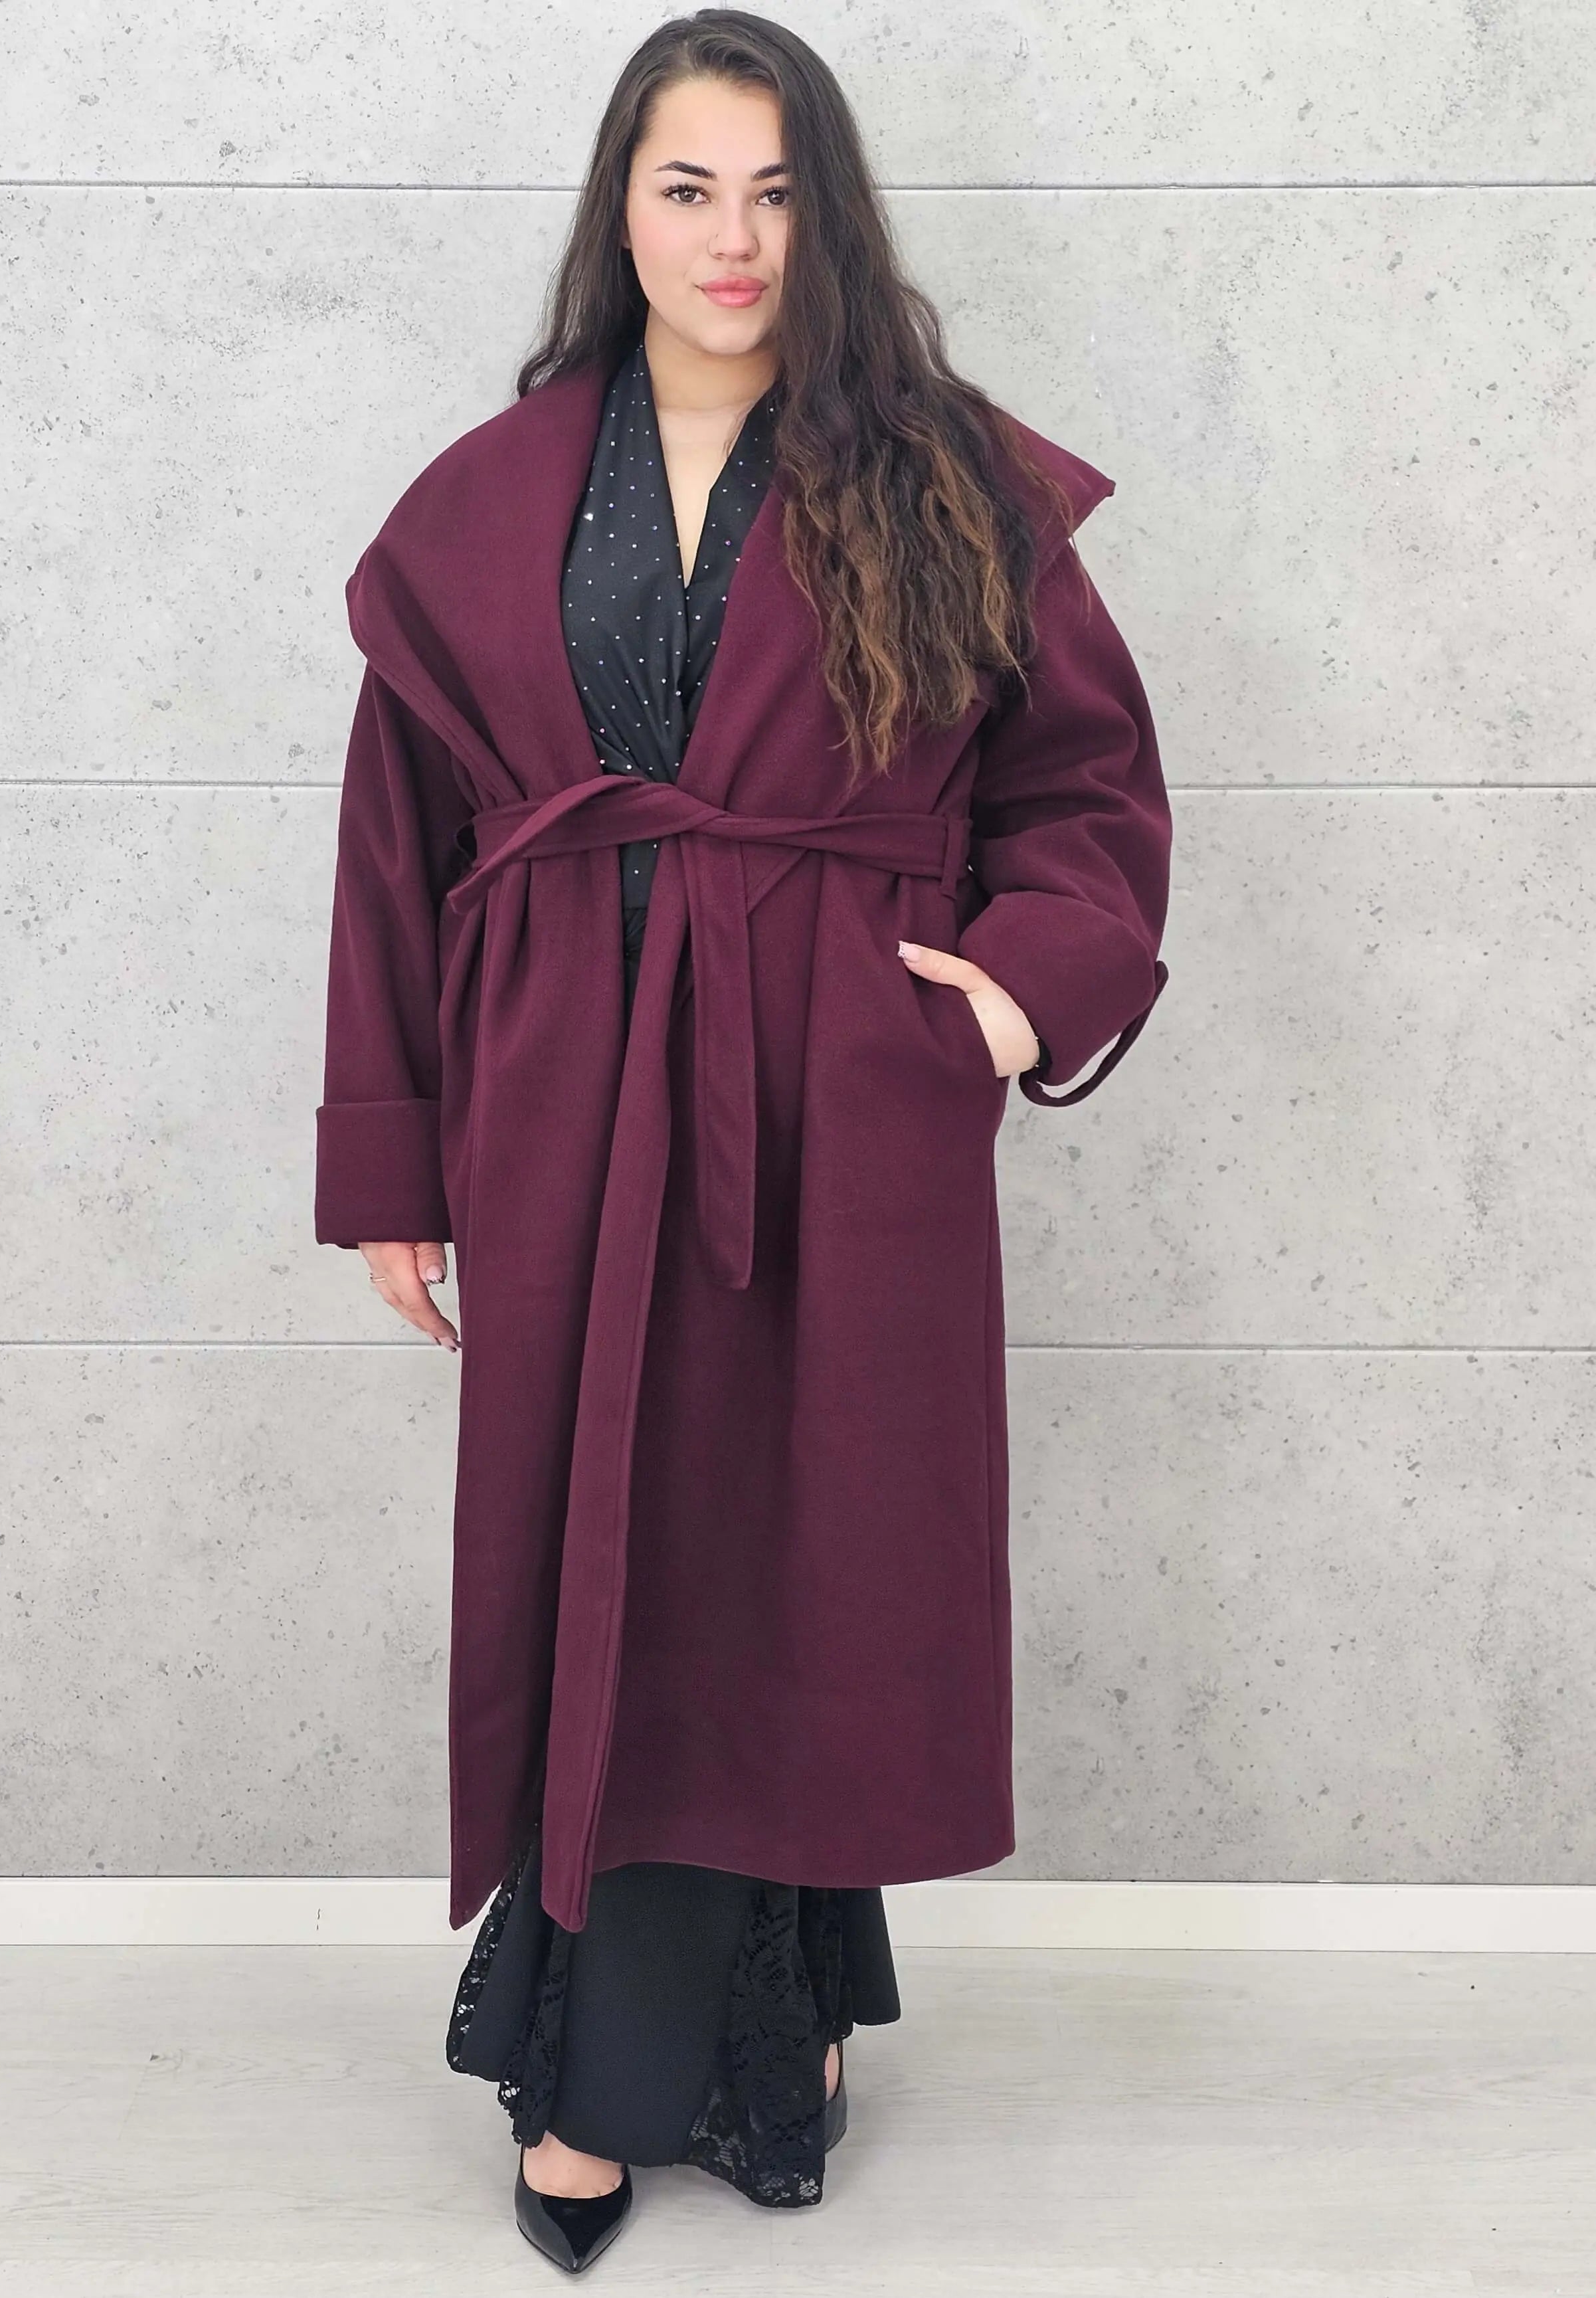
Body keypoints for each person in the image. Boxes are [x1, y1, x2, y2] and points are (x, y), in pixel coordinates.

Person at [314, 8, 1172, 2273]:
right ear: (620, 207)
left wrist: (1003, 1000)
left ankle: (704, 2045)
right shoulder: (486, 500)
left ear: (833, 216)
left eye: (779, 193)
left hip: (842, 1098)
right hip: (559, 1095)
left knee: (805, 1562)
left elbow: (1084, 789)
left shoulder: (945, 480)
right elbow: (397, 841)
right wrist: (392, 1157)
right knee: (607, 1550)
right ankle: (643, 2060)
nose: (734, 238)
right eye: (689, 187)